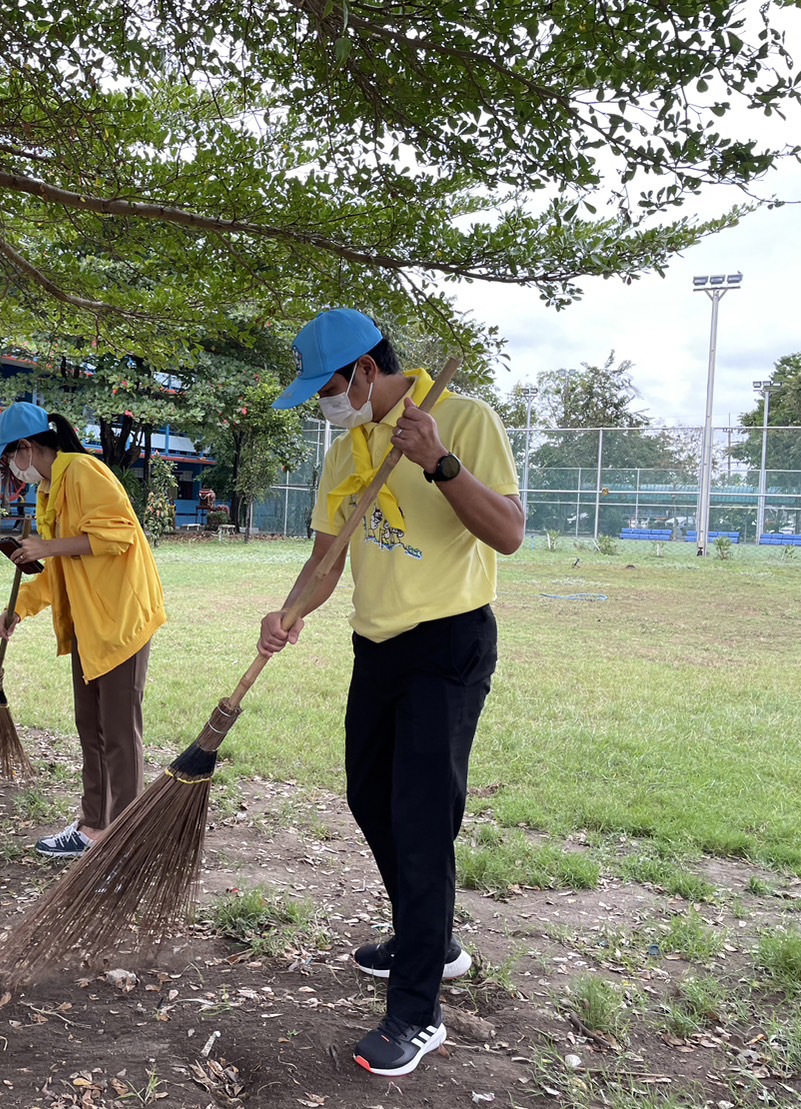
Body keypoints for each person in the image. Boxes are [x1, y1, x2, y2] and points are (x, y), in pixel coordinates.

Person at [258, 309, 523, 1079]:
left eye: (330, 386)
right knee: (368, 795)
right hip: (373, 644)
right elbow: (326, 556)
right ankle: (429, 937)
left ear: (368, 371)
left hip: (446, 643)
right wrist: (289, 610)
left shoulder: (463, 420)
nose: (324, 402)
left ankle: (416, 1010)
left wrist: (438, 461)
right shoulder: (346, 449)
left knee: (419, 816)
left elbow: (507, 532)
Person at [0, 402, 166, 859]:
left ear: (26, 447)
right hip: (89, 624)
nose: (10, 470)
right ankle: (93, 827)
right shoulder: (49, 491)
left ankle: (126, 845)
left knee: (121, 735)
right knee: (92, 727)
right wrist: (20, 609)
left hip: (121, 620)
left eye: (9, 459)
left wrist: (47, 544)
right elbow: (60, 569)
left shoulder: (85, 472)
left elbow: (118, 534)